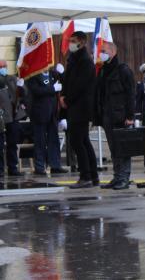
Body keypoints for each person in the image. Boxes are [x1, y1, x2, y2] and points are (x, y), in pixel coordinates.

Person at [94, 42, 136, 190]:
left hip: (120, 115)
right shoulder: (104, 70)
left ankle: (124, 178)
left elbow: (131, 94)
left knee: (123, 148)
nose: (101, 53)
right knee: (113, 149)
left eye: (104, 51)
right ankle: (117, 177)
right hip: (107, 115)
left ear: (112, 52)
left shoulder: (123, 70)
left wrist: (130, 116)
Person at [60, 31, 99, 189]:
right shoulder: (74, 59)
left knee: (77, 141)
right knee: (83, 141)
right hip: (75, 106)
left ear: (82, 42)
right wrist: (63, 95)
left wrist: (67, 99)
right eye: (70, 40)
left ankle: (86, 176)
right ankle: (93, 175)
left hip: (80, 107)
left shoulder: (85, 61)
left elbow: (79, 85)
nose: (71, 43)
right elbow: (69, 81)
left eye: (74, 40)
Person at [26, 69, 67, 175]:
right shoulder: (33, 76)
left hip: (53, 113)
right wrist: (52, 89)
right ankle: (40, 167)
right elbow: (36, 91)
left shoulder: (53, 74)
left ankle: (55, 165)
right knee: (40, 141)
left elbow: (65, 82)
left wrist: (62, 73)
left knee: (54, 140)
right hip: (39, 113)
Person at [0, 61, 21, 176]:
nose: (3, 68)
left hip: (13, 115)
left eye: (4, 66)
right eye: (1, 67)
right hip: (1, 117)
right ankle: (0, 169)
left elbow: (21, 94)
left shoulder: (12, 79)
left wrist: (21, 86)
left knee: (12, 143)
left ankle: (12, 168)